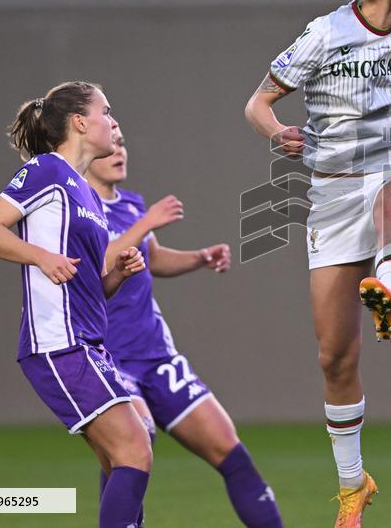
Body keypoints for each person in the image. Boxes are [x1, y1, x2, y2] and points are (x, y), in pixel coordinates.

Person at [244, 0, 391, 526]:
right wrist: (276, 131)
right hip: (333, 190)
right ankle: (352, 487)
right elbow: (257, 104)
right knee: (334, 356)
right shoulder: (324, 34)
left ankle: (389, 290)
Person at [0, 82, 151, 528]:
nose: (113, 122)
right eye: (106, 111)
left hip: (89, 342)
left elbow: (83, 284)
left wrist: (115, 276)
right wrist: (40, 256)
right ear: (79, 122)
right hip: (59, 343)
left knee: (119, 460)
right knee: (135, 449)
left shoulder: (87, 193)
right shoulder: (47, 169)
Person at [86, 133, 283, 527]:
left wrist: (199, 258)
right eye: (111, 143)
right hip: (108, 360)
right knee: (131, 451)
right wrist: (146, 223)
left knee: (232, 453)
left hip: (157, 357)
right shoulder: (79, 209)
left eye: (124, 142)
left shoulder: (129, 205)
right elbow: (96, 268)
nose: (120, 150)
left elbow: (152, 256)